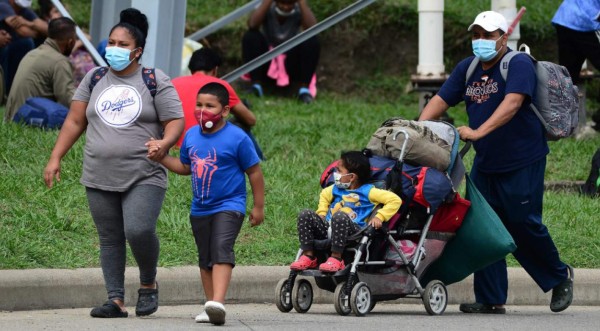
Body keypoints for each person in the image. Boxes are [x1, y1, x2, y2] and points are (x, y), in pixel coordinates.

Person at [418, 11, 574, 314]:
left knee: (522, 223)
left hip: (522, 159)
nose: (481, 41)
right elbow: (441, 100)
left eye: (488, 35)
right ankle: (491, 298)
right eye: (476, 35)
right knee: (484, 228)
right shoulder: (468, 68)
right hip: (487, 163)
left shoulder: (518, 64)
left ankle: (559, 277)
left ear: (503, 38)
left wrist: (478, 131)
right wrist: (416, 129)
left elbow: (512, 103)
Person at [43, 8, 184, 318]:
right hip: (98, 172)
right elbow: (75, 120)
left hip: (144, 172)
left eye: (122, 44)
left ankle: (148, 284)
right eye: (111, 42)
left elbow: (175, 120)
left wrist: (164, 143)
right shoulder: (94, 78)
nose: (114, 49)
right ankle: (115, 300)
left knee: (138, 230)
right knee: (109, 237)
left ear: (137, 51)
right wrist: (55, 157)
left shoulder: (153, 79)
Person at [145, 82, 265, 325]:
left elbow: (254, 172)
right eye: (199, 105)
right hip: (200, 208)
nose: (202, 110)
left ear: (225, 111)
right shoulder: (190, 135)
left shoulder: (237, 137)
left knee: (221, 249)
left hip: (230, 205)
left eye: (210, 105)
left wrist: (258, 206)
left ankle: (218, 301)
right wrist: (162, 158)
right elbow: (185, 168)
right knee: (205, 257)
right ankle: (211, 306)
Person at [289, 150, 401, 272]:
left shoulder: (368, 191)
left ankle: (337, 258)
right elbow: (324, 194)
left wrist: (380, 216)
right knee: (305, 214)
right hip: (329, 227)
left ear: (352, 177)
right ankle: (308, 256)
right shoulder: (336, 188)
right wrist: (322, 212)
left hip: (353, 230)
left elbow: (395, 200)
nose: (335, 174)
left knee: (340, 216)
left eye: (339, 171)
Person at [171, 47, 264, 159]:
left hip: (174, 144)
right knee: (241, 122)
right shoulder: (219, 85)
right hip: (208, 145)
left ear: (191, 70)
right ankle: (258, 159)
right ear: (215, 70)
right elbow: (250, 120)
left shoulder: (173, 83)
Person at [242, 0, 320, 104]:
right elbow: (252, 24)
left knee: (311, 40)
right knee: (251, 36)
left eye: (289, 3)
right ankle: (256, 86)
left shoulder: (299, 10)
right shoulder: (268, 7)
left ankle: (304, 90)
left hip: (290, 61)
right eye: (282, 3)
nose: (285, 7)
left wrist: (301, 2)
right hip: (267, 61)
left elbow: (313, 28)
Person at [5, 16, 75, 122]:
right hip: (27, 121)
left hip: (12, 118)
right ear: (70, 42)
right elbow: (68, 100)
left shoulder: (32, 53)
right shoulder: (59, 61)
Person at [36, 0, 97, 87]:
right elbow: (61, 53)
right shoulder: (49, 33)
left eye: (62, 10)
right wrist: (78, 44)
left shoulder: (66, 28)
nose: (61, 13)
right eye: (56, 11)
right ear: (47, 17)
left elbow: (87, 37)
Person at [0, 0, 48, 95]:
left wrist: (29, 23)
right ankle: (4, 91)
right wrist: (37, 30)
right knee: (21, 44)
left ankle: (16, 89)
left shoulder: (23, 10)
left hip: (10, 47)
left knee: (26, 43)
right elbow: (23, 31)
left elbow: (48, 29)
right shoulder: (3, 5)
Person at [551, 0, 600, 86]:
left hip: (565, 17)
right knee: (568, 72)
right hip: (584, 20)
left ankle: (564, 97)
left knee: (568, 73)